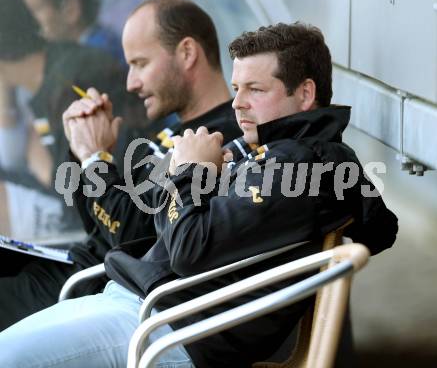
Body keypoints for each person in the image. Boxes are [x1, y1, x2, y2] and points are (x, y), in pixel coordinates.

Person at [0, 21, 398, 367]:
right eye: (237, 87)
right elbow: (378, 226)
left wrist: (188, 172)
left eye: (255, 89)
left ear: (306, 94)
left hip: (162, 331)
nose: (238, 103)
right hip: (139, 306)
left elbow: (188, 248)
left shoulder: (301, 165)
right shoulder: (288, 158)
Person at [0, 0, 241, 332]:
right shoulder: (170, 130)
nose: (130, 82)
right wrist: (82, 148)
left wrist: (94, 159)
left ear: (187, 53)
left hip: (95, 290)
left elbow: (131, 237)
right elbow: (95, 221)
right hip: (74, 267)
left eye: (140, 63)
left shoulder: (219, 140)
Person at [0, 0, 141, 329]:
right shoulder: (45, 83)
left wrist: (43, 169)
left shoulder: (72, 78)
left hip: (109, 259)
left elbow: (96, 193)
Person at [13, 0, 125, 63]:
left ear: (70, 10)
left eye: (34, 9)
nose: (24, 20)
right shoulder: (103, 40)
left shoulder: (97, 56)